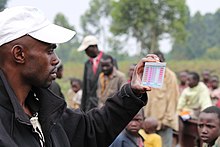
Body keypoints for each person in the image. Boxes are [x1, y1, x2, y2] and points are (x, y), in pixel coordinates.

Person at [0, 6, 160, 147]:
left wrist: (132, 93)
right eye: (49, 51)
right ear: (19, 54)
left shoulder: (43, 108)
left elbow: (89, 130)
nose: (56, 60)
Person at [144, 51, 180, 147]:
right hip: (148, 121)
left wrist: (167, 120)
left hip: (163, 122)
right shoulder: (148, 74)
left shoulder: (170, 76)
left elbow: (173, 100)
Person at [77, 35, 118, 111]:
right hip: (90, 106)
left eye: (87, 49)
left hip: (105, 105)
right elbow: (85, 88)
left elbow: (115, 82)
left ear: (94, 47)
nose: (85, 52)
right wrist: (83, 109)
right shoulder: (87, 64)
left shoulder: (109, 60)